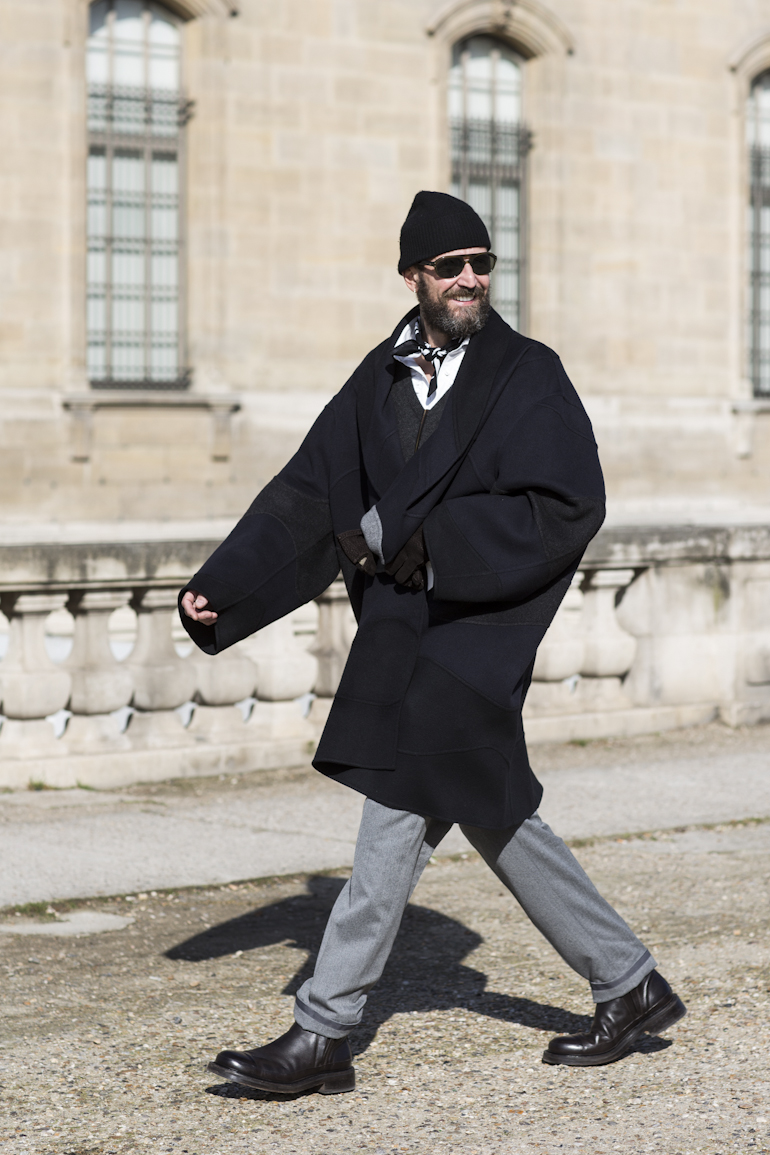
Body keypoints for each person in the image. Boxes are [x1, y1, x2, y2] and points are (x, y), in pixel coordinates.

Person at [180, 190, 686, 1096]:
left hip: (478, 634)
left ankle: (323, 1028)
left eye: (482, 263)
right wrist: (225, 586)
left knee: (395, 804)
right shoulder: (378, 376)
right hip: (401, 632)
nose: (469, 279)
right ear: (413, 275)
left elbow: (571, 506)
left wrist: (436, 542)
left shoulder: (528, 372)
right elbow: (307, 491)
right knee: (494, 811)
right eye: (450, 266)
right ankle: (628, 981)